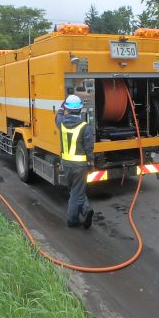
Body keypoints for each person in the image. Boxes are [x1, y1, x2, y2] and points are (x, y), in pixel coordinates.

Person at [55, 94, 95, 229]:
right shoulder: (85, 127)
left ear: (67, 109)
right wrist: (91, 164)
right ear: (80, 110)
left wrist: (62, 106)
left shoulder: (61, 123)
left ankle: (86, 209)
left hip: (66, 164)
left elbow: (57, 115)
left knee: (75, 190)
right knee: (77, 192)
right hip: (80, 166)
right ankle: (72, 220)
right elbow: (89, 149)